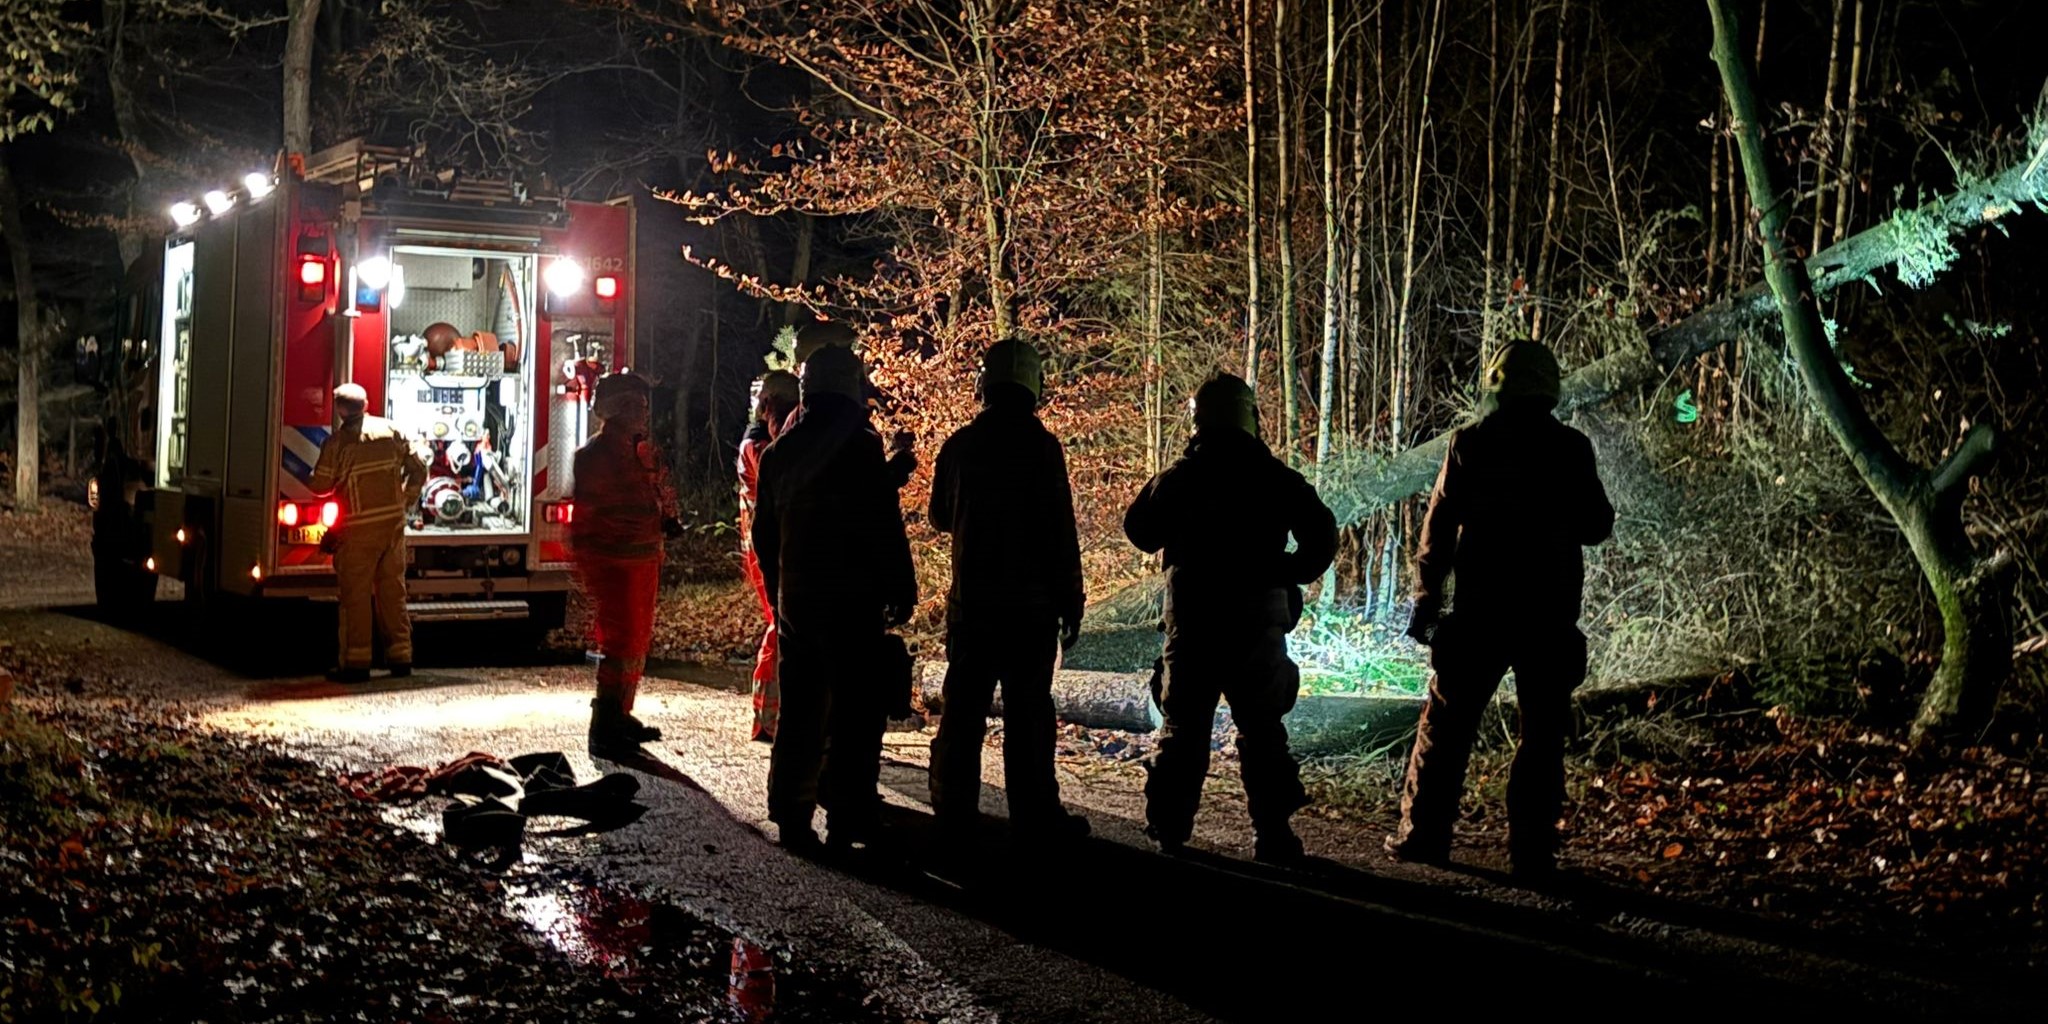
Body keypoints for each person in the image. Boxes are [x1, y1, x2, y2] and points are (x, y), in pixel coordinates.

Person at [1388, 340, 1614, 879]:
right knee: (1541, 737)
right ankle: (1531, 853)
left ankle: (1423, 836)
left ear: (1498, 385)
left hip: (1480, 613)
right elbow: (1597, 526)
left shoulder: (1472, 443)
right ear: (1550, 389)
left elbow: (1438, 528)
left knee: (1446, 727)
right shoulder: (1571, 449)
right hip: (1548, 617)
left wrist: (1426, 599)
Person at [1124, 374, 1336, 864]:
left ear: (1198, 420)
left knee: (1184, 725)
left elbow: (1139, 531)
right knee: (1262, 728)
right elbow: (1321, 539)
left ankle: (1170, 829)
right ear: (1249, 417)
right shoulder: (1276, 477)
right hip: (1257, 623)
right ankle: (1273, 834)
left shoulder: (1181, 479)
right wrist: (1284, 571)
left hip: (1193, 623)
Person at [752, 345, 918, 853]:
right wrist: (901, 586)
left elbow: (764, 535)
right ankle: (848, 814)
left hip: (799, 601)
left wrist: (784, 588)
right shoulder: (861, 445)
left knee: (801, 709)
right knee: (855, 713)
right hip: (853, 600)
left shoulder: (779, 452)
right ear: (851, 386)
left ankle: (792, 811)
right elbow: (879, 522)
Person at [926, 338, 1089, 842]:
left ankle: (953, 812)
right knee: (1029, 717)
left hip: (972, 608)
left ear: (985, 384)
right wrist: (1071, 601)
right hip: (1030, 612)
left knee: (964, 712)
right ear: (1033, 386)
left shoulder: (958, 446)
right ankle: (1035, 815)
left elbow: (937, 517)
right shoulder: (1042, 448)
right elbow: (1061, 532)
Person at [572, 372, 673, 757]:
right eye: (635, 407)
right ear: (615, 411)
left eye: (644, 407)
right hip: (616, 566)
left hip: (643, 561)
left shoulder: (640, 451)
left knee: (635, 644)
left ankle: (622, 714)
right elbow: (594, 518)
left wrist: (666, 517)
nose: (643, 414)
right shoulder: (595, 456)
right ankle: (605, 724)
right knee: (619, 646)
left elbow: (656, 493)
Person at [309, 382, 428, 683]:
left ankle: (356, 664)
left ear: (339, 410)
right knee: (392, 592)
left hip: (358, 531)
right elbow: (419, 469)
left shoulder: (338, 443)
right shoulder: (393, 431)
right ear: (366, 403)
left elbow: (320, 486)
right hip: (392, 528)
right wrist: (406, 499)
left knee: (356, 597)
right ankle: (401, 658)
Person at [738, 370, 801, 743]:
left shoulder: (763, 440)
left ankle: (772, 716)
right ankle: (767, 718)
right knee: (781, 626)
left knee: (783, 625)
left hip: (771, 547)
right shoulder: (759, 446)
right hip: (767, 551)